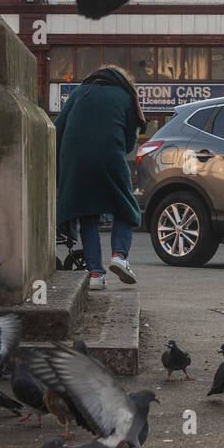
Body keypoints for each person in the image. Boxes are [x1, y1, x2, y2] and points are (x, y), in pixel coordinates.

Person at [55, 64, 145, 289]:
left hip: (74, 159)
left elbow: (57, 128)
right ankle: (119, 256)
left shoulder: (78, 93)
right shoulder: (126, 95)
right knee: (125, 207)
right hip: (110, 155)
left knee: (87, 213)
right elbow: (129, 140)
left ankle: (95, 275)